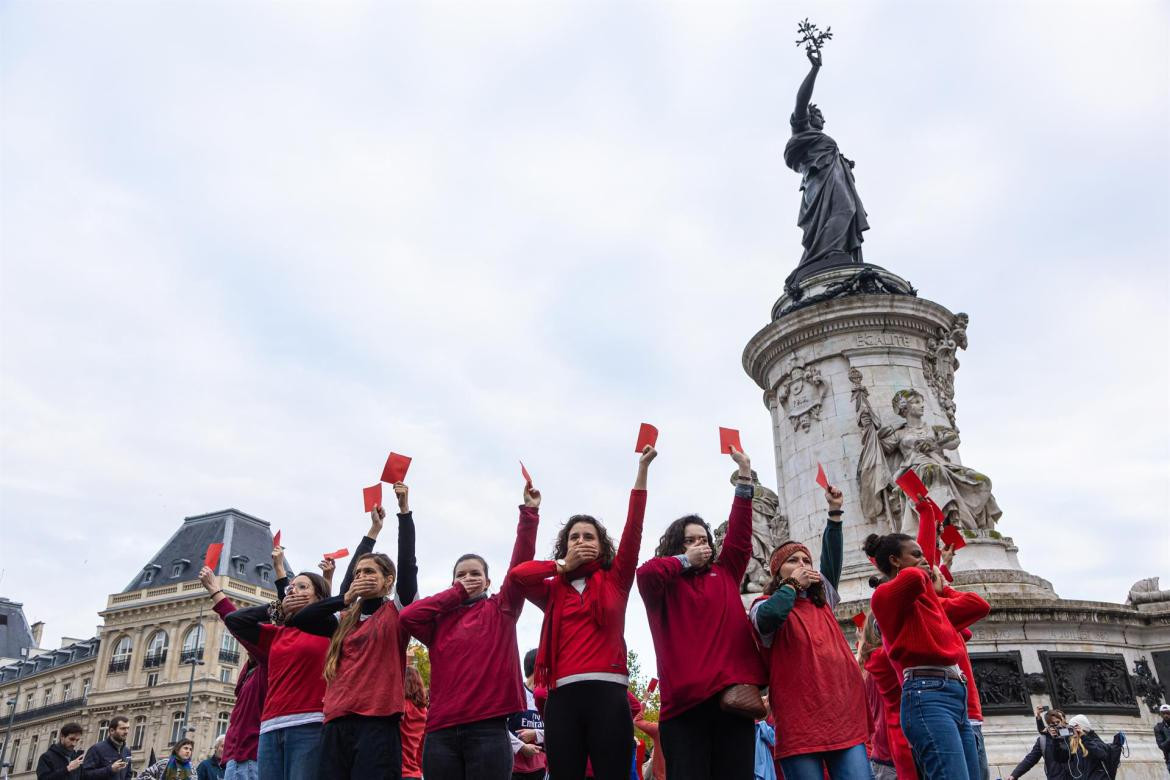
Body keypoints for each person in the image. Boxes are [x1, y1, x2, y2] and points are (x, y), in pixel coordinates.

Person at [506, 446, 656, 780]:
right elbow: (517, 576)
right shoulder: (553, 589)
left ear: (602, 545)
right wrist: (561, 565)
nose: (581, 540)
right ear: (565, 546)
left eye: (589, 536)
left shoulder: (617, 580)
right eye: (574, 537)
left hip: (609, 694)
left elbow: (634, 528)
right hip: (563, 699)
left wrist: (642, 469)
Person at [636, 445, 767, 780]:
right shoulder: (663, 585)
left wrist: (744, 477)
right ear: (676, 547)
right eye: (688, 540)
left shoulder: (724, 573)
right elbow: (645, 573)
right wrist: (684, 562)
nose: (698, 544)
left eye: (703, 539)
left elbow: (739, 538)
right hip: (683, 710)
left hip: (732, 704)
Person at [399, 481, 542, 779]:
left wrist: (529, 514)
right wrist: (456, 594)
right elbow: (408, 617)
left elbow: (521, 566)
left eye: (475, 574)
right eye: (460, 575)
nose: (468, 578)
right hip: (440, 733)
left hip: (488, 730)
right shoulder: (440, 620)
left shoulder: (501, 608)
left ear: (489, 582)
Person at [288, 481, 419, 780]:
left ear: (388, 580)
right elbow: (301, 619)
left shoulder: (396, 611)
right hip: (336, 722)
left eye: (370, 572)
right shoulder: (344, 618)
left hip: (378, 723)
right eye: (359, 572)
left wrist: (403, 510)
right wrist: (344, 596)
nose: (362, 576)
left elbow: (408, 564)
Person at [750, 483, 870, 780]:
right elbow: (772, 616)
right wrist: (793, 586)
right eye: (793, 561)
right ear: (777, 572)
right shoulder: (761, 605)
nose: (803, 564)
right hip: (799, 721)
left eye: (806, 560)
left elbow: (832, 557)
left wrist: (835, 513)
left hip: (843, 715)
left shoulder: (823, 600)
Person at [866, 526, 990, 780]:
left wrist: (943, 587)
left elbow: (979, 605)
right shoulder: (883, 596)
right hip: (927, 694)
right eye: (916, 554)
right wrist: (927, 571)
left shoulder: (930, 602)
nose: (925, 560)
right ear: (894, 560)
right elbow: (912, 578)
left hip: (956, 695)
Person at [222, 567, 332, 780]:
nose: (293, 591)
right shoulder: (276, 635)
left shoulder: (329, 631)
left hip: (309, 723)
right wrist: (276, 607)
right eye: (291, 588)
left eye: (302, 587)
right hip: (270, 726)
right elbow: (234, 621)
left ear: (318, 597)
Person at [199, 564, 268, 780]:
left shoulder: (267, 662)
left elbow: (235, 623)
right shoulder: (249, 669)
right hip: (235, 756)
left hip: (251, 757)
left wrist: (215, 591)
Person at [509, 649, 548, 780]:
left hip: (541, 768)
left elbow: (561, 731)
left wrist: (536, 733)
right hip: (513, 768)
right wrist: (521, 747)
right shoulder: (515, 693)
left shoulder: (551, 697)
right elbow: (499, 728)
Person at [1008, 709, 1077, 780]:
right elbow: (1031, 758)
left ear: (1064, 720)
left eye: (1058, 721)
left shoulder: (1074, 736)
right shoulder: (1043, 740)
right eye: (1053, 723)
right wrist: (1014, 774)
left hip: (1076, 777)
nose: (1057, 725)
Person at [81, 714, 131, 779]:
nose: (126, 732)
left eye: (128, 728)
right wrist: (110, 769)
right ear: (112, 731)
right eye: (123, 729)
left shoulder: (127, 751)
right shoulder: (96, 749)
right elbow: (85, 774)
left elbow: (128, 774)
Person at [400, 665, 428, 780]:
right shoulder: (424, 712)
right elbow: (422, 748)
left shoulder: (401, 708)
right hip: (415, 773)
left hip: (398, 770)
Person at [1156, 704, 1170, 777]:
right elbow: (1161, 746)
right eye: (1163, 713)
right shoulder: (1159, 727)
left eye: (1168, 713)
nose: (1166, 715)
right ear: (1161, 714)